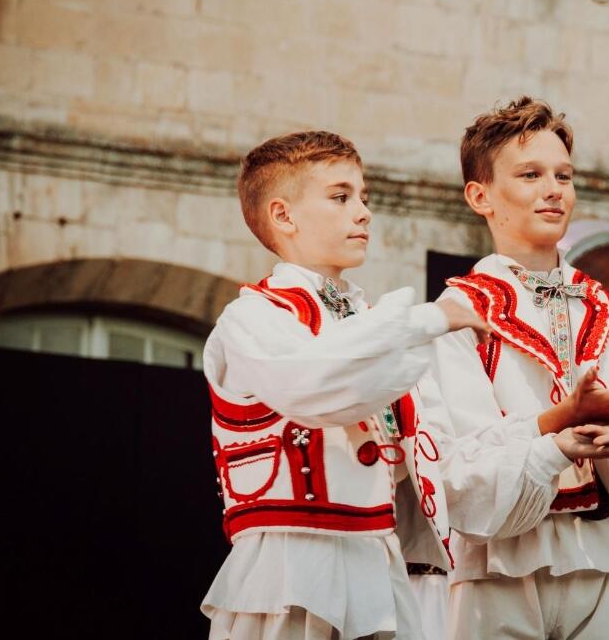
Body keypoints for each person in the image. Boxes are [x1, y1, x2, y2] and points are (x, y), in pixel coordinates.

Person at [423, 97, 609, 640]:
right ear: (480, 196)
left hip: (604, 556)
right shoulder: (456, 313)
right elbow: (458, 472)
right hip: (501, 563)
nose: (554, 189)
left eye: (564, 175)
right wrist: (560, 432)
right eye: (530, 175)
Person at [200, 130, 488, 640]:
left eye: (363, 197)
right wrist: (427, 319)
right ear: (283, 215)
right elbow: (314, 385)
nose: (363, 212)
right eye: (340, 197)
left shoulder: (377, 325)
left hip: (377, 559)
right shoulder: (252, 317)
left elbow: (443, 457)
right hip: (290, 561)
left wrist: (552, 436)